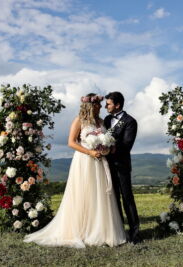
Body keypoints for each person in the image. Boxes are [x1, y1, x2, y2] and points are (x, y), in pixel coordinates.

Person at [23, 93, 126, 248]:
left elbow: (107, 140)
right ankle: (81, 230)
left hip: (99, 162)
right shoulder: (79, 120)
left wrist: (107, 148)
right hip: (84, 161)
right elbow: (71, 142)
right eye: (98, 105)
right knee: (84, 193)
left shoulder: (101, 121)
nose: (101, 107)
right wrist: (90, 152)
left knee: (99, 195)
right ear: (90, 106)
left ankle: (99, 230)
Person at [104, 91, 141, 244]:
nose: (105, 106)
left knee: (127, 198)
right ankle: (119, 230)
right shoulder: (106, 120)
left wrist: (109, 145)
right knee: (113, 199)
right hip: (106, 165)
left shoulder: (130, 121)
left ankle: (135, 232)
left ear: (117, 105)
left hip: (122, 165)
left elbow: (127, 145)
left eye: (108, 104)